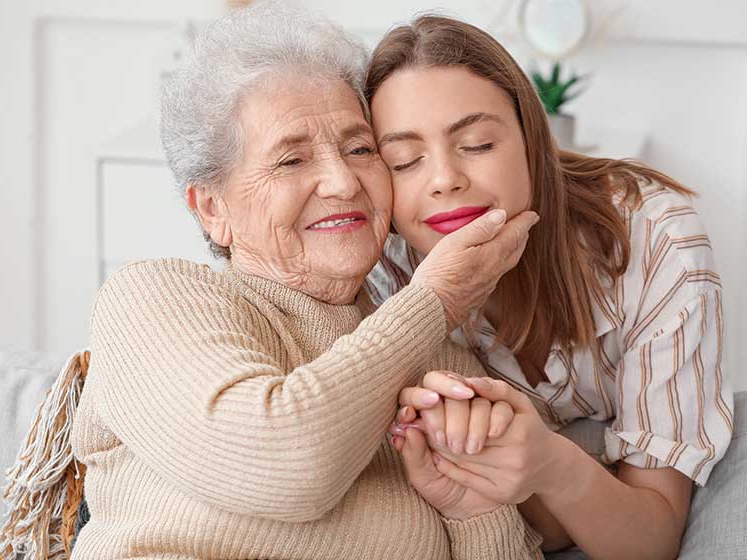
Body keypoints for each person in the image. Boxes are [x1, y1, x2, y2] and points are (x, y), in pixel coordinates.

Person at [67, 4, 542, 559]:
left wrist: (474, 508)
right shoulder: (153, 301)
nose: (342, 182)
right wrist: (434, 298)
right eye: (291, 161)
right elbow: (287, 463)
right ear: (212, 208)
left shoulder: (444, 366)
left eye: (360, 149)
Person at [366, 15, 734, 559]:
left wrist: (553, 464)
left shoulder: (657, 240)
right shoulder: (383, 272)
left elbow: (653, 536)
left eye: (477, 143)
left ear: (531, 138)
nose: (444, 178)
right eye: (405, 160)